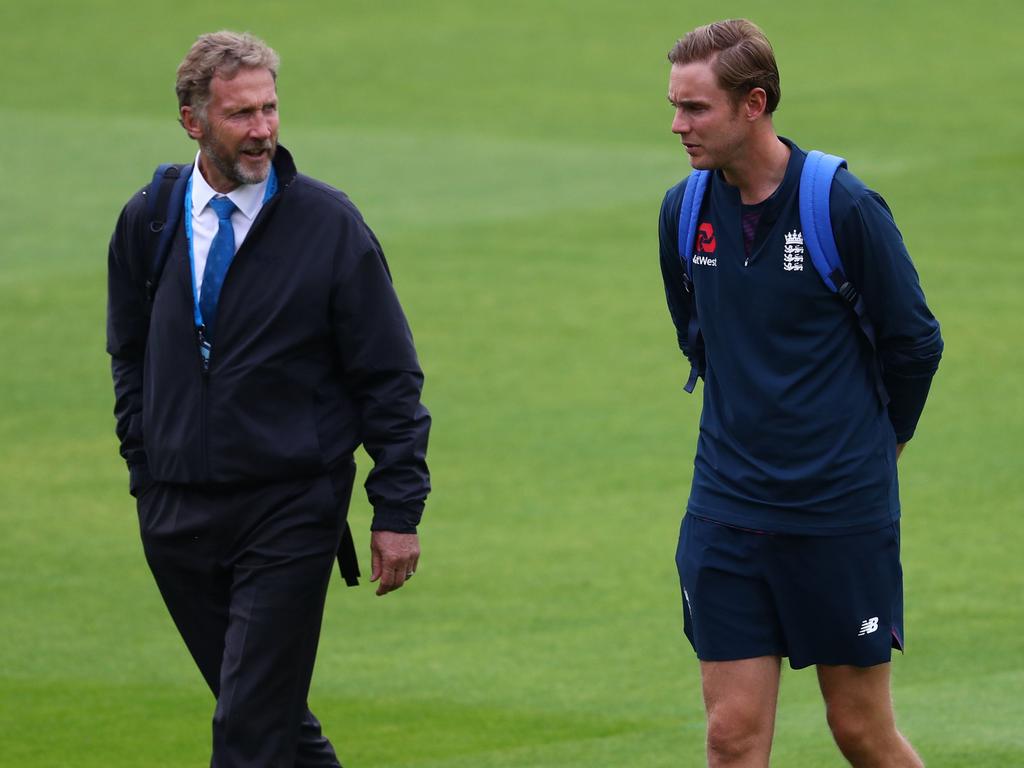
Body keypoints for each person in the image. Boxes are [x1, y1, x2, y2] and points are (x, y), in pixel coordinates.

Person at [107, 31, 431, 767]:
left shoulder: (328, 224)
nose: (262, 130)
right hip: (177, 513)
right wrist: (145, 462)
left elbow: (389, 376)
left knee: (247, 731)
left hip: (289, 510)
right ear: (193, 121)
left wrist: (397, 509)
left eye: (270, 109)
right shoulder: (149, 218)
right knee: (269, 717)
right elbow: (127, 353)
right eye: (240, 115)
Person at [658, 19, 942, 768]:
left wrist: (889, 441)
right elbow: (699, 332)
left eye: (696, 109)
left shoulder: (842, 207)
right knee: (730, 738)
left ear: (754, 104)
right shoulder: (683, 213)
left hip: (836, 515)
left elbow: (915, 340)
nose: (679, 126)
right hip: (727, 511)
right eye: (675, 107)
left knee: (860, 732)